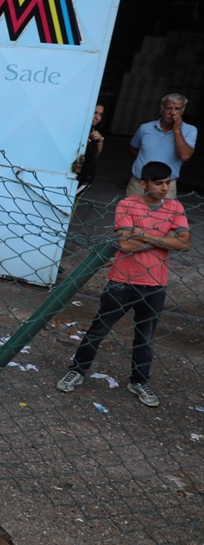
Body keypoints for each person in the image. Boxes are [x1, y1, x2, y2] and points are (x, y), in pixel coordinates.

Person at [56, 161, 191, 407]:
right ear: (143, 184)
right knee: (98, 330)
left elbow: (184, 243)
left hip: (156, 283)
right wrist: (165, 239)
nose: (164, 188)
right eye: (158, 183)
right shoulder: (127, 204)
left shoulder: (175, 207)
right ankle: (77, 370)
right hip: (122, 281)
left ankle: (139, 381)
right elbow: (126, 244)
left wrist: (144, 234)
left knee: (145, 336)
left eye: (167, 183)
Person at [127, 94, 196, 201]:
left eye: (177, 109)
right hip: (139, 183)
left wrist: (177, 129)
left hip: (166, 187)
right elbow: (133, 148)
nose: (172, 113)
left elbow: (185, 156)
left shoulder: (190, 130)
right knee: (131, 215)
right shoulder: (145, 128)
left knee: (161, 217)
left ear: (182, 112)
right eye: (169, 108)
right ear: (161, 110)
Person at [75, 104, 105, 196]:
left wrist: (100, 140)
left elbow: (95, 155)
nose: (97, 117)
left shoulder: (92, 131)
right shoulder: (79, 129)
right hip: (76, 175)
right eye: (95, 113)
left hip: (85, 177)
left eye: (100, 115)